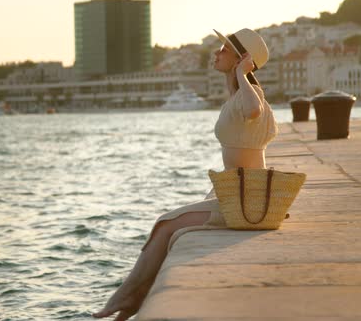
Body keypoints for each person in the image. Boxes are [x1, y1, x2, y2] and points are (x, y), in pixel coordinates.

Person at [92, 28, 279, 321]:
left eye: (224, 50)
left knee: (165, 224)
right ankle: (131, 301)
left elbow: (254, 110)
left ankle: (125, 298)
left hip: (248, 202)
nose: (216, 54)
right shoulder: (237, 97)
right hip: (242, 195)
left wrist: (243, 74)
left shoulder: (250, 94)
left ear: (242, 59)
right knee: (173, 230)